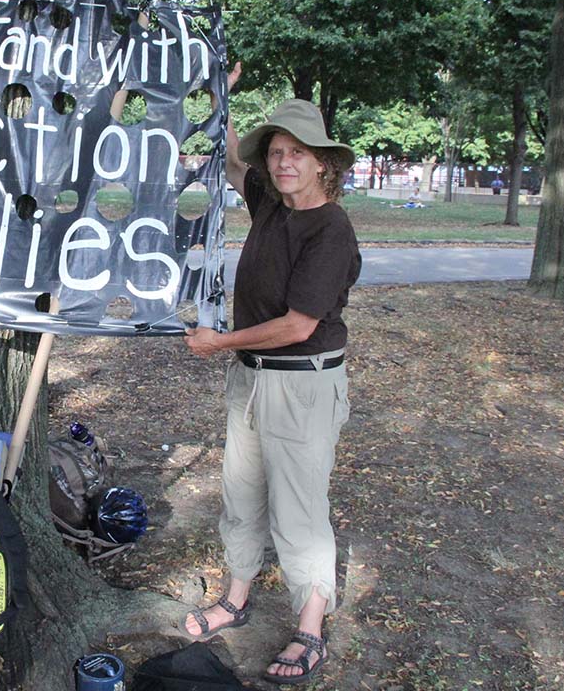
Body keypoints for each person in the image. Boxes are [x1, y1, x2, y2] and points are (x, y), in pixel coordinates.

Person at [183, 66, 360, 686]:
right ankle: (236, 596)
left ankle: (310, 628)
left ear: (322, 165)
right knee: (243, 492)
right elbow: (233, 162)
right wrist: (217, 87)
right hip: (251, 379)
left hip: (301, 381)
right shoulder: (272, 202)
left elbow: (298, 325)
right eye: (278, 152)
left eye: (297, 154)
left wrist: (218, 342)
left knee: (300, 508)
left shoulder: (330, 227)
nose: (284, 163)